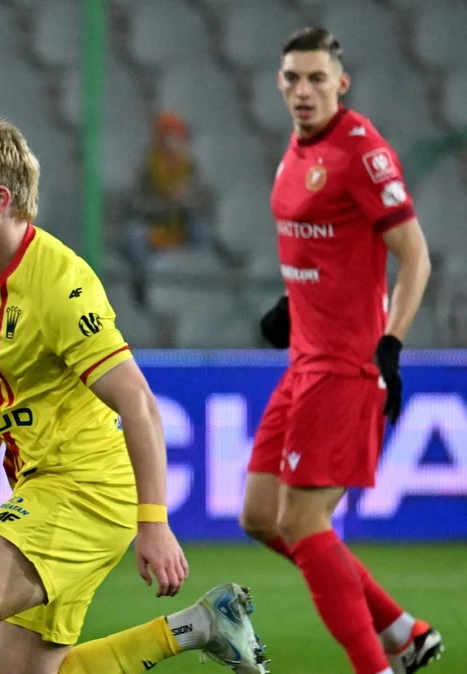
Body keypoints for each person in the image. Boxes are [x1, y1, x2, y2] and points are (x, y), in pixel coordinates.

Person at [0, 113, 268, 674]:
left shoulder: (62, 286)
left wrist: (155, 522)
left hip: (84, 489)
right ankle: (197, 626)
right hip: (46, 484)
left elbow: (139, 403)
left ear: (0, 199)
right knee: (21, 668)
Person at [239, 28, 440, 674]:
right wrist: (291, 304)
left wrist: (391, 344)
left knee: (300, 519)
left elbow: (415, 256)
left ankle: (376, 665)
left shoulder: (363, 153)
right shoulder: (296, 151)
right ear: (280, 82)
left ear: (341, 84)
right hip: (305, 358)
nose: (303, 90)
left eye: (316, 79)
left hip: (346, 364)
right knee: (260, 515)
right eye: (292, 78)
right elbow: (321, 244)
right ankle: (401, 630)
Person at [121, 111, 213, 306]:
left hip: (181, 228)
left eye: (179, 138)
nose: (176, 143)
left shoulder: (191, 167)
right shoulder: (147, 167)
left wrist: (187, 201)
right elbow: (135, 204)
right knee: (134, 235)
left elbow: (205, 202)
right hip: (154, 227)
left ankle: (203, 285)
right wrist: (168, 203)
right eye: (171, 137)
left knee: (203, 231)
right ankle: (145, 288)